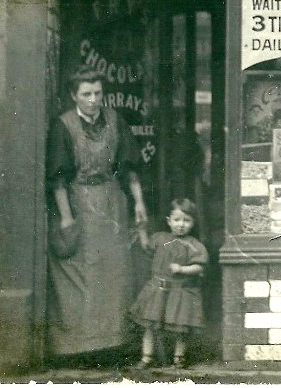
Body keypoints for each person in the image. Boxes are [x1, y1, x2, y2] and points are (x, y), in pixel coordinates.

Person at [46, 65, 149, 362]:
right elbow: (58, 177)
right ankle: (79, 347)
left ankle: (114, 342)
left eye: (98, 93)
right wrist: (66, 217)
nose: (93, 100)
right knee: (82, 275)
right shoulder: (63, 125)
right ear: (73, 96)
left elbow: (129, 167)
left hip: (112, 203)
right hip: (79, 203)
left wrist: (139, 202)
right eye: (86, 94)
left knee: (115, 273)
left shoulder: (116, 121)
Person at [130, 198, 208, 369]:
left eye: (187, 220)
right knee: (150, 325)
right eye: (177, 219)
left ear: (193, 223)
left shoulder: (195, 245)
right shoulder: (160, 238)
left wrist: (181, 269)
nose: (181, 224)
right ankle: (146, 357)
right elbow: (146, 247)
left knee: (181, 328)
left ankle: (179, 358)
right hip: (158, 289)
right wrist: (142, 229)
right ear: (169, 221)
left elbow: (198, 267)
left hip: (180, 291)